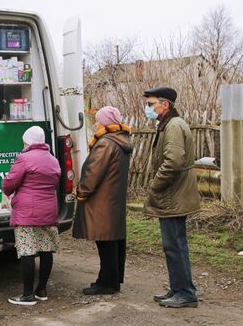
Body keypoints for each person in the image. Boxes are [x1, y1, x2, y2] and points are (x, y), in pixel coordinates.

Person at [143, 87, 201, 308]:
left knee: (175, 245)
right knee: (174, 246)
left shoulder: (174, 126)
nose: (148, 108)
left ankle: (185, 293)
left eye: (151, 104)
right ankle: (179, 289)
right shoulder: (169, 124)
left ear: (164, 105)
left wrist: (155, 185)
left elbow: (173, 162)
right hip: (173, 196)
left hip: (173, 196)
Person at [73, 106, 133, 295]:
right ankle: (111, 280)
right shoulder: (121, 140)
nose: (97, 123)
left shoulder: (106, 143)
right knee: (113, 241)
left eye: (99, 120)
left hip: (102, 200)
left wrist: (81, 192)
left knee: (105, 242)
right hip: (113, 199)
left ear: (106, 122)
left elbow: (93, 172)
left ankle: (106, 283)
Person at [3, 125, 61, 306]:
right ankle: (41, 290)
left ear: (27, 141)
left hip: (27, 212)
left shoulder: (24, 158)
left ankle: (27, 295)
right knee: (46, 249)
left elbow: (9, 185)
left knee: (27, 251)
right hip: (48, 209)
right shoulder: (53, 159)